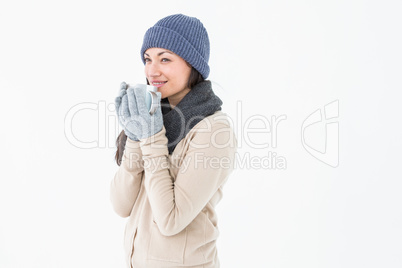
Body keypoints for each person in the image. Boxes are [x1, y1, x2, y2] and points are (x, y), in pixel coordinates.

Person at [110, 14, 238, 268]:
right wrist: (135, 135)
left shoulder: (214, 130)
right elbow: (121, 205)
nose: (152, 71)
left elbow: (170, 220)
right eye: (148, 59)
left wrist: (150, 136)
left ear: (193, 65)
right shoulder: (153, 116)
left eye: (165, 59)